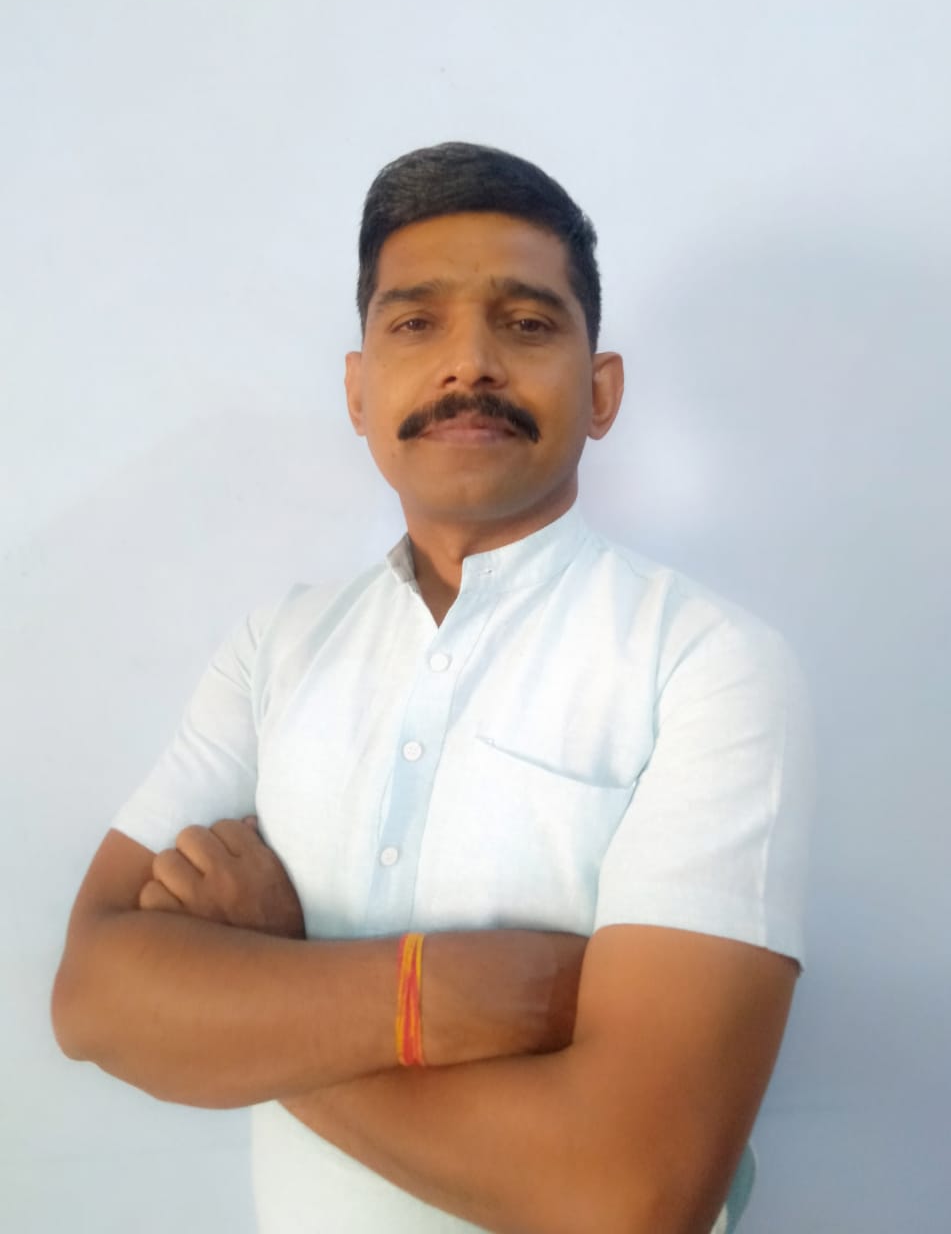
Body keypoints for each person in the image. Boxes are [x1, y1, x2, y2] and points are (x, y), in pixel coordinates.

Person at [51, 142, 814, 1234]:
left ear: (602, 392)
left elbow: (630, 1193)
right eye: (415, 322)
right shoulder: (276, 647)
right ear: (358, 391)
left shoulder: (706, 662)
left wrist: (256, 990)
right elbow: (91, 995)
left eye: (527, 322)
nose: (470, 364)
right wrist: (447, 997)